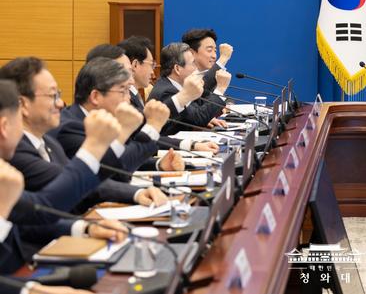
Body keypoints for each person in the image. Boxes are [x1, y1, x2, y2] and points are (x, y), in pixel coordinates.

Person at [0, 79, 127, 277]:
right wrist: (94, 146)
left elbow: (26, 220)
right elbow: (45, 204)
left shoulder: (49, 142)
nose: (60, 103)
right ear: (4, 126)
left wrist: (86, 228)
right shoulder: (18, 157)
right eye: (53, 95)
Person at [49, 58, 171, 205]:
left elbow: (120, 159)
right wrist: (152, 127)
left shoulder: (104, 121)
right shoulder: (70, 128)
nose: (128, 99)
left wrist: (158, 164)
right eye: (123, 91)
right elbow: (117, 173)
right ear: (95, 96)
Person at [117, 36, 220, 154]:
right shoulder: (165, 91)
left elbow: (145, 137)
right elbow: (141, 139)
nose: (153, 72)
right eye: (151, 64)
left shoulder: (133, 94)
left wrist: (192, 145)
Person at [148, 42, 230, 135]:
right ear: (177, 69)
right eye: (193, 63)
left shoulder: (174, 85)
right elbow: (199, 118)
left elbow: (195, 112)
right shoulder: (167, 91)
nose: (196, 68)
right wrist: (220, 88)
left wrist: (208, 119)